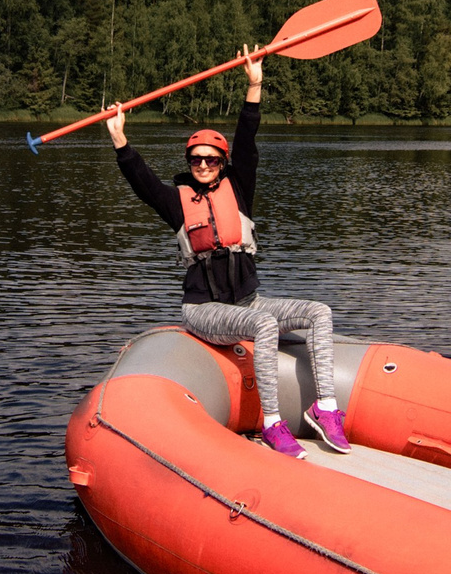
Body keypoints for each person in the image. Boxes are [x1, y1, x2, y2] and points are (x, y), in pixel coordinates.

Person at [105, 46, 349, 457]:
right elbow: (141, 181)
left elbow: (247, 140)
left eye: (211, 160)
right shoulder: (176, 202)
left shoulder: (239, 191)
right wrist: (120, 140)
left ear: (223, 163)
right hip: (203, 310)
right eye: (196, 159)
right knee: (265, 327)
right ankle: (272, 424)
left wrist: (254, 86)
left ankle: (325, 409)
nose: (203, 165)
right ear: (189, 162)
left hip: (249, 300)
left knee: (318, 312)